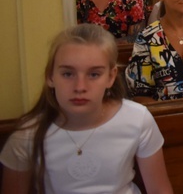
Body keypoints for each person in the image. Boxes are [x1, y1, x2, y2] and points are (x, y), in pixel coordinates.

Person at [0, 24, 172, 194]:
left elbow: (159, 189)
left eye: (94, 74)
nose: (80, 86)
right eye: (68, 74)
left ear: (111, 77)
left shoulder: (137, 119)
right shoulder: (27, 136)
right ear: (50, 76)